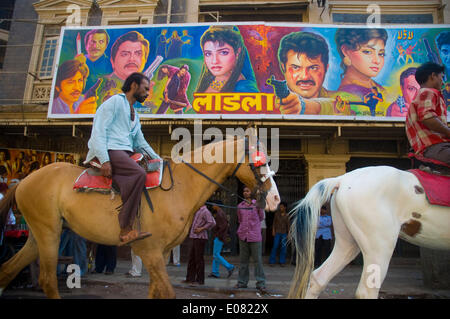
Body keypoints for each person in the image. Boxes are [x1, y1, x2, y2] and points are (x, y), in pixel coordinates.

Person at [85, 72, 161, 245]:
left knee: (148, 171)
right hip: (111, 150)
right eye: (145, 88)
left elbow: (141, 143)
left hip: (125, 153)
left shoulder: (135, 114)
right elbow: (98, 131)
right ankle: (125, 227)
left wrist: (159, 160)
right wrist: (104, 159)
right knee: (139, 174)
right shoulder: (114, 102)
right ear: (134, 85)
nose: (147, 93)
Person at [276, 31, 350, 116]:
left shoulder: (343, 99)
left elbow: (341, 108)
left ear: (326, 68)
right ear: (283, 68)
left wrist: (304, 106)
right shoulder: (266, 105)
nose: (305, 77)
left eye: (313, 68)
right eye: (295, 67)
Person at [406, 61, 450, 166]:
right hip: (435, 147)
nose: (443, 82)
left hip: (428, 149)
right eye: (442, 77)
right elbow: (427, 118)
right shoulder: (429, 92)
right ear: (433, 76)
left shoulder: (421, 95)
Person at [196, 25, 258, 93]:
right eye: (208, 54)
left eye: (223, 52)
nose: (214, 61)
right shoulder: (208, 80)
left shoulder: (244, 88)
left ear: (237, 52)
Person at [97, 31, 150, 104]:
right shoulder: (99, 85)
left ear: (145, 60)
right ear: (112, 61)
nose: (132, 59)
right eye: (125, 54)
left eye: (138, 54)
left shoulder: (147, 90)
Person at [335, 28, 388, 100]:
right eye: (367, 52)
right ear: (346, 51)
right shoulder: (349, 94)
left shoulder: (375, 86)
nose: (377, 61)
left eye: (381, 54)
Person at [235, 187, 266, 293]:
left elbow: (261, 217)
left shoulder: (257, 205)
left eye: (247, 191)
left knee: (258, 261)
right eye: (244, 191)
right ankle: (242, 282)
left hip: (255, 236)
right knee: (243, 261)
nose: (245, 193)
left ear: (251, 193)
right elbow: (240, 220)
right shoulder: (240, 206)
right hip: (243, 236)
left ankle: (261, 283)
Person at [183, 205, 216, 286]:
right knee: (192, 259)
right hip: (194, 236)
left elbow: (212, 222)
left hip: (200, 237)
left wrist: (201, 228)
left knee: (199, 259)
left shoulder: (205, 211)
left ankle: (200, 280)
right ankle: (190, 278)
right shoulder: (197, 210)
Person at [208, 200, 235, 279]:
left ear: (217, 205)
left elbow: (223, 226)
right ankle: (215, 272)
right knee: (216, 254)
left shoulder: (220, 213)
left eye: (214, 204)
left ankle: (230, 267)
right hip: (220, 236)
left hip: (220, 236)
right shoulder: (220, 212)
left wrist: (218, 234)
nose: (212, 205)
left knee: (216, 254)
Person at [269, 202, 290, 267]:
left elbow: (288, 225)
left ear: (285, 207)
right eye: (280, 207)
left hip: (284, 233)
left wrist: (288, 233)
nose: (280, 208)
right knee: (275, 246)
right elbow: (274, 223)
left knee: (283, 247)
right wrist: (273, 231)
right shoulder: (276, 214)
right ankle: (272, 261)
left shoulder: (287, 215)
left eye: (282, 207)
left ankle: (282, 261)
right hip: (277, 232)